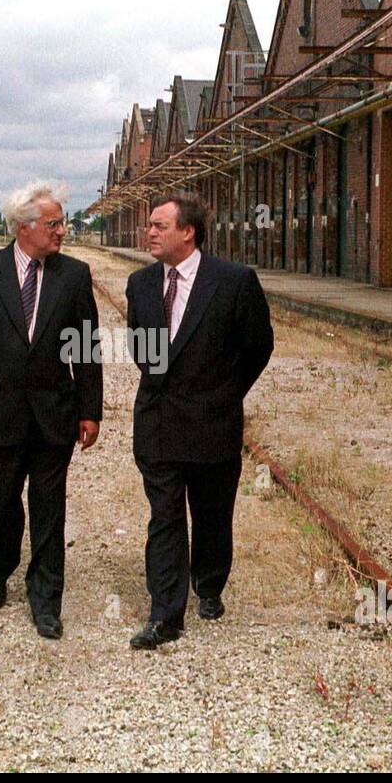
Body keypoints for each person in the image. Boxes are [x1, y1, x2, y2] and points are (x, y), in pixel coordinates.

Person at [0, 181, 102, 640]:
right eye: (53, 224)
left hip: (56, 413)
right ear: (23, 227)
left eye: (61, 222)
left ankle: (45, 600)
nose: (62, 231)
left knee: (50, 509)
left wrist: (90, 410)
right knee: (4, 502)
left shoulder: (74, 276)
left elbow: (88, 349)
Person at [124, 193, 273, 649]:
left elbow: (258, 346)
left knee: (211, 515)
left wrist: (225, 393)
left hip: (213, 423)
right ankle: (166, 614)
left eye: (159, 225)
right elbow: (141, 350)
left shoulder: (233, 282)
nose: (149, 232)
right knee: (165, 517)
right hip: (159, 424)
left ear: (188, 232)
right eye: (149, 225)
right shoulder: (141, 284)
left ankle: (209, 586)